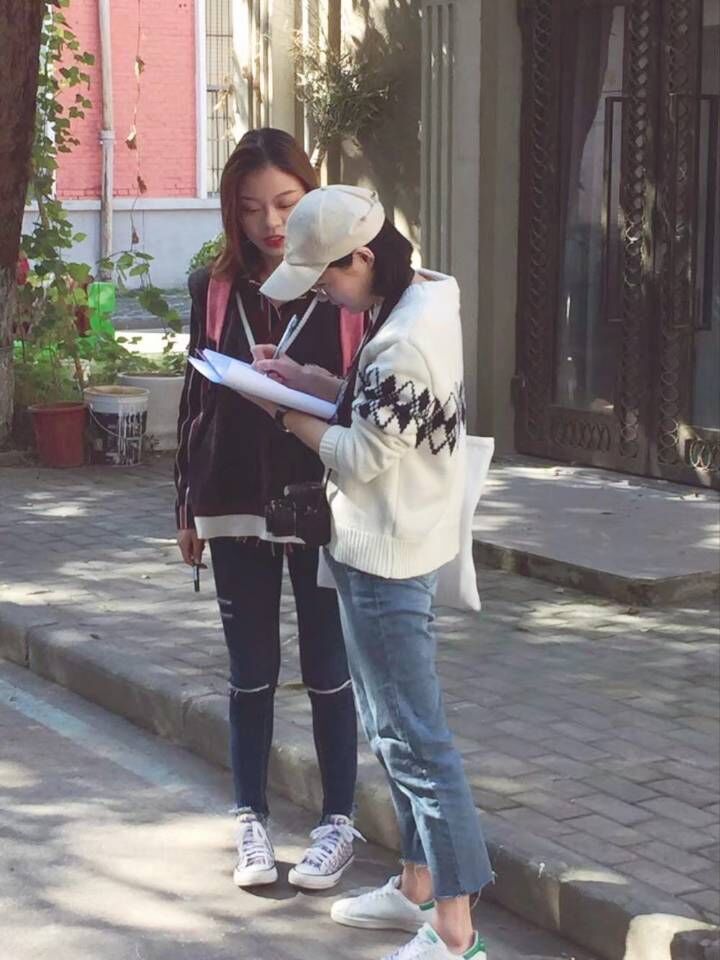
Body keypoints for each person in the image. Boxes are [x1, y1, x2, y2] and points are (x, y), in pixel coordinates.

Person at [246, 185, 493, 960]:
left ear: (362, 256)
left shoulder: (402, 339)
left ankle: (454, 929)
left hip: (387, 555)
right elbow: (380, 414)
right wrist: (306, 380)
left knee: (416, 741)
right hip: (389, 542)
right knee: (393, 732)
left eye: (327, 278)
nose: (323, 294)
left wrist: (283, 410)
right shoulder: (416, 300)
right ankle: (417, 884)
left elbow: (359, 456)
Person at [175, 130, 361, 892]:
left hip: (322, 500)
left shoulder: (343, 282)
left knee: (329, 668)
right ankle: (249, 818)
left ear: (310, 195)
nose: (270, 223)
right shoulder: (213, 287)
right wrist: (185, 504)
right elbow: (195, 397)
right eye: (251, 208)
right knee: (251, 670)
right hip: (234, 498)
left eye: (285, 203)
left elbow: (363, 394)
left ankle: (337, 822)